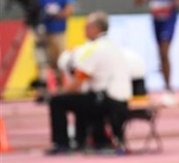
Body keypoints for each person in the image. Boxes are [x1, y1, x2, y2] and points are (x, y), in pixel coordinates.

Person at [45, 11, 131, 155]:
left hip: (107, 100)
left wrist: (58, 93)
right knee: (83, 99)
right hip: (121, 99)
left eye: (86, 26)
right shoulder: (113, 46)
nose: (84, 29)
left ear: (96, 28)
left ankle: (62, 143)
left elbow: (78, 81)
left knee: (57, 101)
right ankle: (88, 139)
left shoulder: (93, 49)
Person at [134, 0, 179, 106]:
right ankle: (167, 89)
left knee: (164, 52)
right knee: (161, 55)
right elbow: (137, 3)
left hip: (169, 16)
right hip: (156, 17)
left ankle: (168, 89)